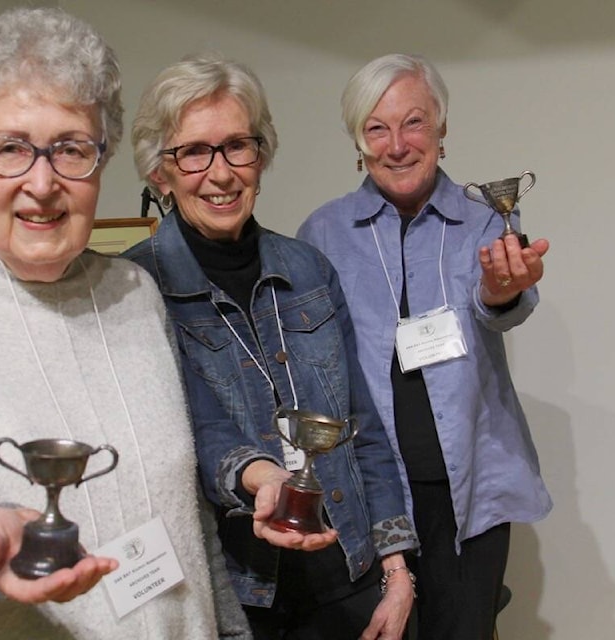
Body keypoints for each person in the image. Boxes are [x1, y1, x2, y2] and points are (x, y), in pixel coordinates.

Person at [0, 9, 250, 640]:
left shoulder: (137, 294)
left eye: (70, 148)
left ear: (101, 162)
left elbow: (186, 512)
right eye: (9, 148)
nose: (42, 181)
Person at [123, 53, 419, 640]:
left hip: (352, 571)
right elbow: (189, 432)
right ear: (161, 172)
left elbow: (362, 424)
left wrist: (397, 568)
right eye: (194, 151)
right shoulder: (134, 289)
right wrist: (259, 477)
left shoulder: (307, 268)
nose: (221, 172)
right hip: (242, 597)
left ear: (261, 155)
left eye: (238, 145)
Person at [297, 53, 553, 640]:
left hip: (472, 491)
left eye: (413, 123)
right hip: (372, 497)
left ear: (441, 130)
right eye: (376, 128)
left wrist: (501, 290)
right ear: (358, 142)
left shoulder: (485, 222)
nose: (397, 145)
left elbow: (504, 307)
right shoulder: (322, 234)